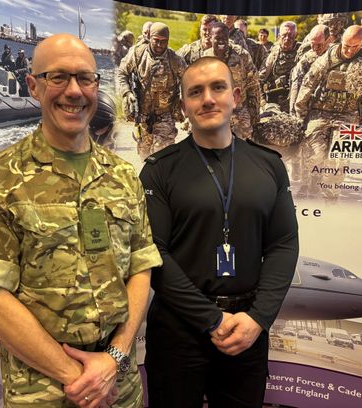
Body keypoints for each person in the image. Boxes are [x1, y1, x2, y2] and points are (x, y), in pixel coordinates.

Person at [0, 33, 162, 408]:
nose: (74, 91)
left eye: (85, 78)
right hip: (45, 392)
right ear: (33, 86)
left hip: (120, 385)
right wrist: (79, 378)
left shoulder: (123, 175)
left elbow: (141, 268)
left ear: (97, 87)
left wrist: (112, 359)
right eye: (58, 78)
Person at [139, 56, 299, 408]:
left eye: (218, 87)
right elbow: (154, 253)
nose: (208, 99)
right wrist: (210, 319)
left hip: (247, 328)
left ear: (236, 96)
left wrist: (259, 318)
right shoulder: (158, 171)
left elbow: (283, 244)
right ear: (183, 106)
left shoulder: (269, 165)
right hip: (178, 331)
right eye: (195, 92)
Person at [295, 25, 362, 198]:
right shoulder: (329, 56)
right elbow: (308, 83)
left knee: (340, 159)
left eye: (355, 47)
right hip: (320, 112)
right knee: (314, 153)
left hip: (350, 116)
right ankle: (308, 187)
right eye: (346, 45)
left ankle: (332, 194)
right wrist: (300, 114)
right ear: (341, 40)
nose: (349, 50)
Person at [117, 22, 186, 160]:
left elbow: (188, 80)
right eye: (156, 41)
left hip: (165, 114)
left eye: (164, 41)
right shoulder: (137, 54)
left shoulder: (175, 60)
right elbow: (122, 73)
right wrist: (127, 93)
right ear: (149, 37)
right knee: (145, 154)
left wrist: (186, 101)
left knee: (162, 154)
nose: (160, 45)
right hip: (143, 115)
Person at [204, 22, 261, 139]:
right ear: (210, 37)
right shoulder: (204, 58)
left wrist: (254, 112)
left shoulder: (241, 55)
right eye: (217, 38)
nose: (221, 42)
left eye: (224, 38)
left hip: (238, 109)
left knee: (244, 142)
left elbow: (254, 84)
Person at [259, 21, 300, 112]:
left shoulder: (302, 52)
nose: (287, 38)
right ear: (278, 36)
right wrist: (262, 102)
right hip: (275, 101)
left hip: (297, 102)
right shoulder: (273, 54)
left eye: (291, 35)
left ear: (296, 35)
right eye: (284, 35)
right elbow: (259, 80)